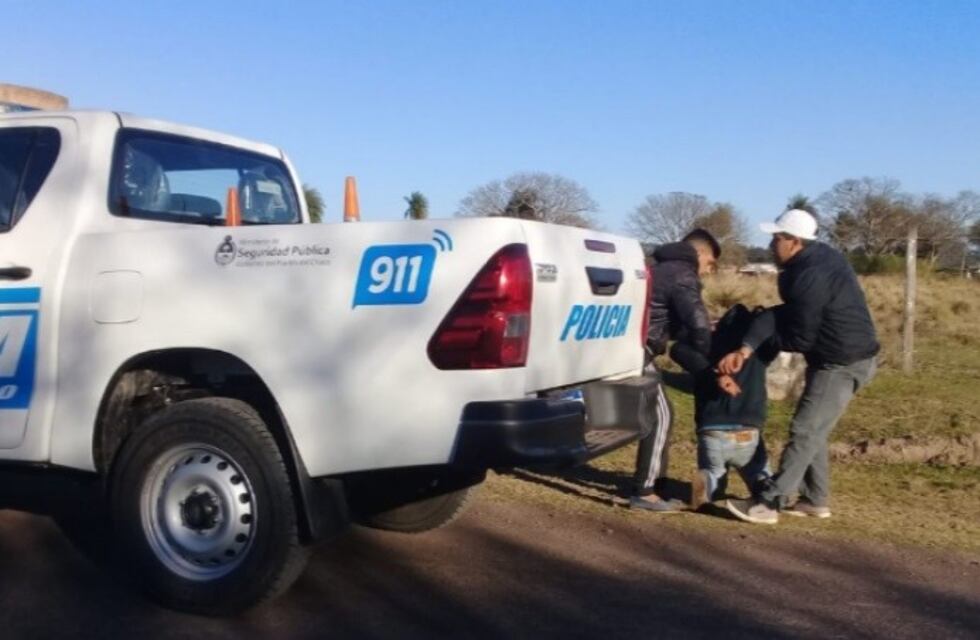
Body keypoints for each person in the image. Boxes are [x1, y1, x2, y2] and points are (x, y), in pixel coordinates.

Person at [719, 209, 879, 525]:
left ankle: (768, 503)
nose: (770, 244)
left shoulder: (810, 275)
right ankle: (815, 500)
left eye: (777, 238)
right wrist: (746, 348)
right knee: (813, 429)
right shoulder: (807, 264)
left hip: (842, 363)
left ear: (794, 242)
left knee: (805, 430)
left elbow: (799, 337)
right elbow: (783, 314)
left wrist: (763, 348)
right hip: (835, 359)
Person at [631, 228, 720, 512]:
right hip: (638, 351)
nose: (708, 272)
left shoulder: (660, 268)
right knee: (661, 416)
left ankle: (656, 485)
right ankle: (646, 492)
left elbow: (668, 315)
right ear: (701, 254)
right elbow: (696, 324)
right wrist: (711, 358)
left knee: (657, 414)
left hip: (634, 346)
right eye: (710, 265)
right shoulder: (684, 275)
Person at [671, 304, 776, 510]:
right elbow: (776, 334)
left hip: (712, 430)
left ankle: (708, 483)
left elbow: (677, 348)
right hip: (749, 430)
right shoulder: (759, 350)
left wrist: (712, 373)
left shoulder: (707, 347)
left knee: (713, 471)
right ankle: (765, 488)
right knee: (758, 473)